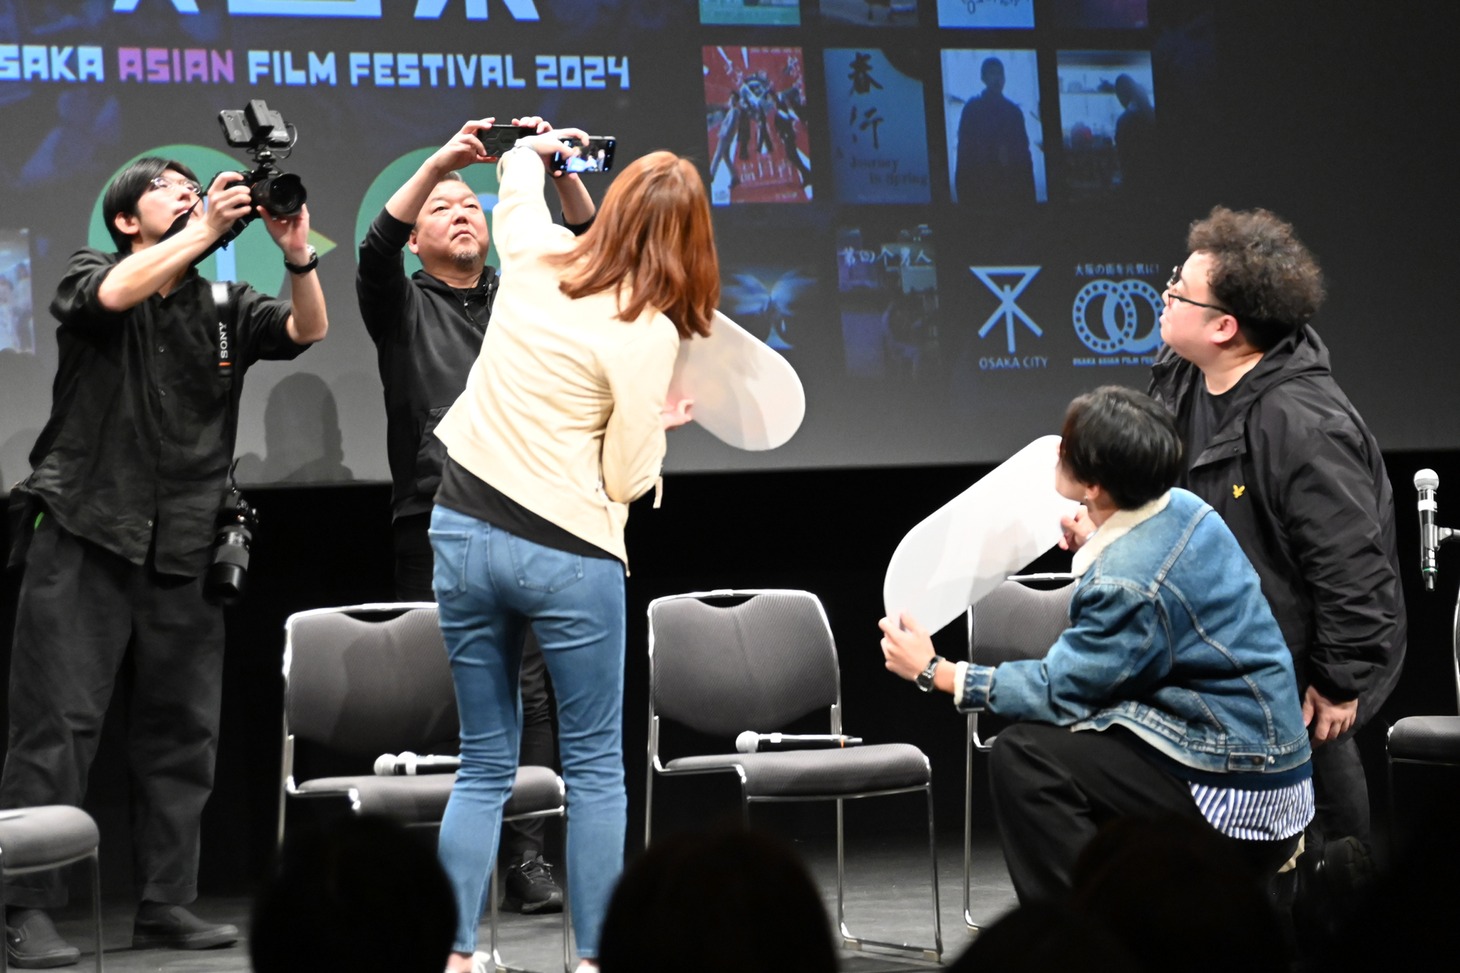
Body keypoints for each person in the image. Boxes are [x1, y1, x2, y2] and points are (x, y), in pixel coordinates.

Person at [1, 156, 327, 967]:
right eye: (165, 187)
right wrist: (209, 226)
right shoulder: (92, 272)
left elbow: (306, 330)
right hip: (85, 527)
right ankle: (23, 906)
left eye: (194, 184)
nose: (188, 190)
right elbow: (113, 296)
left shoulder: (224, 304)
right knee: (57, 725)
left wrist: (296, 254)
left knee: (182, 730)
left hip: (185, 539)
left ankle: (166, 900)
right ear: (126, 221)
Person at [429, 133, 718, 972]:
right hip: (565, 549)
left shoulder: (535, 251)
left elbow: (515, 180)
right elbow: (625, 476)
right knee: (594, 768)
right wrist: (653, 429)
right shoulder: (647, 328)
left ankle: (452, 957)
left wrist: (542, 150)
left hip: (462, 525)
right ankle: (594, 960)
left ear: (614, 208)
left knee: (483, 760)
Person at [881, 386, 1313, 904]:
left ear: (1094, 485)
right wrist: (1102, 535)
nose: (1057, 451)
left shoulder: (1126, 581)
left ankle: (1088, 932)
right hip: (1272, 772)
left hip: (1235, 796)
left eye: (1067, 448)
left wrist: (936, 671)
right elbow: (1158, 586)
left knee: (1026, 756)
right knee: (1083, 741)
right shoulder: (1189, 509)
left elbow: (1059, 691)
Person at [1069, 207, 1402, 874]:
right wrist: (1111, 525)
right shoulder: (1181, 376)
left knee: (1321, 854)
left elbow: (1353, 571)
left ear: (1224, 326)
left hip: (1297, 671)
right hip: (1216, 662)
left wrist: (1339, 683)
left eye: (1181, 289)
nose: (1166, 293)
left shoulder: (1304, 425)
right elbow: (1168, 502)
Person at [355, 115, 597, 914]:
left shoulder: (525, 294)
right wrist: (442, 163)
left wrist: (560, 171)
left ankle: (525, 857)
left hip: (531, 511)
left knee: (532, 694)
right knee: (444, 690)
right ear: (418, 236)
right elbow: (373, 250)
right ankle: (442, 866)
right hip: (436, 518)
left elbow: (593, 254)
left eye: (472, 203)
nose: (462, 212)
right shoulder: (399, 303)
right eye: (442, 208)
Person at [954, 57, 1035, 208]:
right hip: (980, 192)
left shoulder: (1013, 112)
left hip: (1010, 193)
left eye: (1000, 74)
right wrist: (964, 196)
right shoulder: (973, 110)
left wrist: (1029, 198)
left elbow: (1024, 156)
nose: (997, 78)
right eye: (992, 73)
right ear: (983, 78)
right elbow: (964, 153)